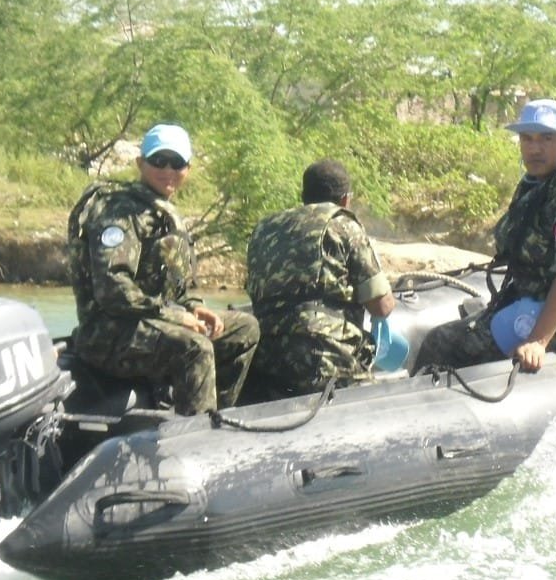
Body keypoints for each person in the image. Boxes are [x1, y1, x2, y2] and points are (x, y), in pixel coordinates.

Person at [413, 99, 556, 374]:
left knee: (441, 343)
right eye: (527, 138)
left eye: (546, 138)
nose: (534, 148)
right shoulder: (544, 182)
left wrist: (538, 341)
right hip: (532, 301)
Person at [68, 123, 258, 415]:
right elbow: (112, 289)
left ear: (188, 169)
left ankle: (218, 417)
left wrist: (194, 308)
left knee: (245, 328)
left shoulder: (161, 213)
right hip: (106, 334)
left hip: (149, 320)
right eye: (159, 161)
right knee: (195, 348)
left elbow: (172, 286)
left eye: (177, 162)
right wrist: (176, 317)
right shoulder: (119, 211)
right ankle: (195, 438)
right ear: (140, 163)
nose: (168, 170)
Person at [244, 159, 395, 398]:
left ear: (303, 196)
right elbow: (381, 306)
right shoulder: (343, 223)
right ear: (346, 199)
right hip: (323, 359)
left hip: (264, 361)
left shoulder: (264, 228)